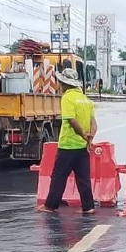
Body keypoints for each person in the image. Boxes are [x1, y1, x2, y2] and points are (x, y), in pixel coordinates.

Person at [37, 66, 98, 214]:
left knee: (59, 176)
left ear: (64, 83)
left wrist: (83, 135)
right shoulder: (86, 100)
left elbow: (71, 120)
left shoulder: (67, 98)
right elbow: (93, 123)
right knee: (83, 179)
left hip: (68, 145)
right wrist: (89, 139)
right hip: (82, 147)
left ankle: (50, 205)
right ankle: (88, 207)